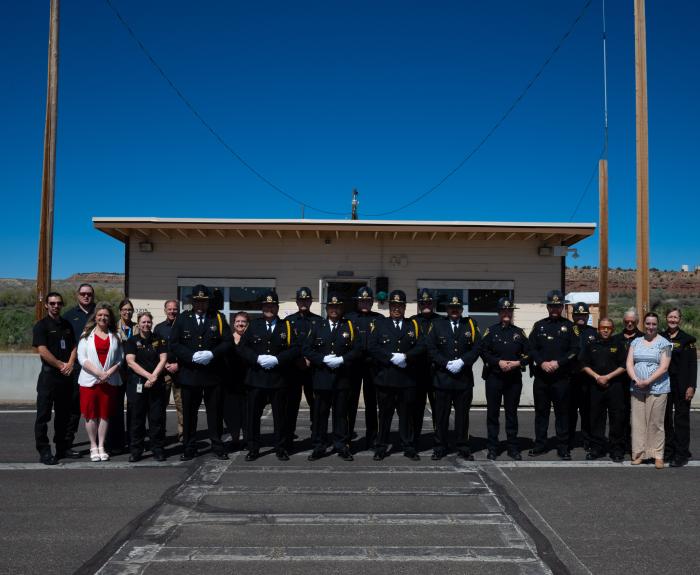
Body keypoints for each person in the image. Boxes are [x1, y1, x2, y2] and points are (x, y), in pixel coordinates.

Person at [169, 285, 234, 461]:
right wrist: (190, 356)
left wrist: (212, 353)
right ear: (192, 301)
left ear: (208, 301)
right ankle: (189, 446)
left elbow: (228, 342)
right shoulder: (183, 319)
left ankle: (217, 445)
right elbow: (174, 343)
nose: (200, 304)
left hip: (213, 375)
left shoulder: (218, 318)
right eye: (197, 301)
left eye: (203, 301)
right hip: (190, 374)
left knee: (215, 412)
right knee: (190, 413)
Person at [238, 291, 300, 461]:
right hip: (256, 378)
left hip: (278, 379)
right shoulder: (253, 326)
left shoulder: (286, 326)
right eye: (266, 306)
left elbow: (295, 349)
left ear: (277, 307)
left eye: (272, 306)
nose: (269, 308)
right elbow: (243, 348)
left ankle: (280, 448)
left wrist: (278, 359)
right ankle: (253, 448)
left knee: (280, 417)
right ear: (262, 308)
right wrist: (256, 358)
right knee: (252, 417)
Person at [368, 290, 426, 461]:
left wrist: (407, 356)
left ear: (404, 307)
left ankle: (408, 447)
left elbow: (422, 346)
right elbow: (372, 346)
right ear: (389, 306)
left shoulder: (413, 325)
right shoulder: (379, 324)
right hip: (386, 378)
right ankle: (381, 447)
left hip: (406, 379)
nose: (396, 309)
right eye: (394, 305)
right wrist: (391, 358)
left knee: (407, 415)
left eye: (400, 305)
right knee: (384, 416)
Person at [303, 293, 361, 461]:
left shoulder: (349, 326)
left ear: (341, 309)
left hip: (342, 378)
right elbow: (306, 349)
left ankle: (341, 445)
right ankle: (319, 446)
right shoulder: (317, 326)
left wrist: (343, 359)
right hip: (322, 378)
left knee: (341, 414)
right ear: (326, 309)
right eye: (331, 307)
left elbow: (357, 349)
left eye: (337, 307)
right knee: (320, 414)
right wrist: (322, 359)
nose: (334, 310)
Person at [426, 294, 480, 461]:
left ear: (461, 309)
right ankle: (440, 446)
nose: (454, 310)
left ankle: (463, 446)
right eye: (451, 307)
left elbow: (478, 347)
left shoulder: (470, 324)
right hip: (443, 378)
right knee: (441, 415)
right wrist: (446, 363)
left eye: (457, 307)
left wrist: (463, 361)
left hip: (463, 379)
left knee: (462, 416)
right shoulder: (436, 325)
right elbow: (431, 348)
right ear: (446, 309)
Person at [528, 290, 580, 460]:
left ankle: (563, 447)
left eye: (558, 306)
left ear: (562, 306)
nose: (555, 308)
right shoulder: (539, 325)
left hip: (561, 378)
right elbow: (531, 348)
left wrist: (559, 363)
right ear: (548, 307)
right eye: (552, 306)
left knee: (562, 414)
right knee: (541, 413)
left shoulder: (571, 327)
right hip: (542, 378)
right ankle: (540, 445)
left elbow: (575, 350)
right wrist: (542, 362)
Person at [479, 297, 529, 461]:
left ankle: (513, 447)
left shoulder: (519, 332)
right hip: (494, 378)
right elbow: (483, 352)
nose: (506, 313)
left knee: (511, 414)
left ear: (512, 312)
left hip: (513, 379)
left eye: (509, 311)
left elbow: (530, 354)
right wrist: (497, 362)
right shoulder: (490, 331)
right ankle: (493, 447)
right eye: (504, 311)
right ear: (499, 313)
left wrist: (517, 363)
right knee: (493, 414)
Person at [32, 292, 77, 465]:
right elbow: (42, 350)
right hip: (49, 378)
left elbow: (74, 346)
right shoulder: (41, 326)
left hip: (65, 378)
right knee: (43, 416)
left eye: (58, 303)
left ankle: (62, 447)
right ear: (47, 305)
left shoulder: (66, 324)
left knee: (63, 416)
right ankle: (44, 450)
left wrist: (71, 363)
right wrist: (60, 365)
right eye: (52, 303)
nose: (55, 306)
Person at [77, 303, 123, 462]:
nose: (103, 318)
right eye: (100, 315)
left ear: (110, 318)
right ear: (95, 317)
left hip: (108, 381)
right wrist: (98, 373)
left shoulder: (115, 336)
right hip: (90, 381)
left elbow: (120, 359)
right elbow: (81, 358)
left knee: (104, 415)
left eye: (106, 315)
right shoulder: (85, 335)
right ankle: (93, 445)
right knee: (90, 414)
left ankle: (102, 445)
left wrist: (108, 373)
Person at [626, 312, 672, 469]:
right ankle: (638, 454)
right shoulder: (635, 342)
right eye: (648, 324)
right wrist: (636, 380)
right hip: (637, 387)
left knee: (656, 423)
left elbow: (664, 366)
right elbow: (629, 363)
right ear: (643, 324)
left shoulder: (665, 343)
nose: (650, 327)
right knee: (638, 422)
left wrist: (647, 381)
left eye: (653, 324)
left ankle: (657, 455)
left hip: (658, 388)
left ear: (657, 325)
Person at [581, 318, 627, 462]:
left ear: (612, 329)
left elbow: (624, 365)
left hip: (615, 387)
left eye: (608, 328)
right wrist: (597, 377)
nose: (605, 330)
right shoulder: (591, 345)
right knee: (596, 419)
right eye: (602, 327)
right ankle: (597, 448)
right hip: (596, 387)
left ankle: (616, 449)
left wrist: (608, 377)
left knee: (616, 419)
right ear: (598, 329)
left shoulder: (619, 344)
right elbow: (583, 364)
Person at [125, 312, 168, 462]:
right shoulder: (132, 341)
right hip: (138, 384)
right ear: (138, 324)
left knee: (157, 419)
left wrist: (154, 376)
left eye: (148, 322)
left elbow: (163, 359)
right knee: (137, 419)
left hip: (156, 384)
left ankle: (158, 449)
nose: (146, 325)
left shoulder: (159, 339)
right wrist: (148, 376)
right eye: (143, 322)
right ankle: (136, 450)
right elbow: (131, 362)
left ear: (152, 323)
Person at [345, 286, 384, 450]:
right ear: (357, 301)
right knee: (350, 403)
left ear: (372, 301)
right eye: (362, 300)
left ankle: (372, 438)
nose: (365, 303)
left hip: (372, 366)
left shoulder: (380, 318)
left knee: (371, 402)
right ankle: (346, 438)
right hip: (353, 366)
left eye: (368, 300)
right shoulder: (348, 318)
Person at [285, 287, 322, 449]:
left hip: (312, 370)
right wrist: (297, 360)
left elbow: (321, 346)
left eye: (307, 300)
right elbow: (285, 346)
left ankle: (316, 436)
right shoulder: (288, 321)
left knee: (315, 404)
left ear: (311, 301)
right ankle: (288, 437)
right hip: (293, 370)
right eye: (301, 300)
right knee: (291, 405)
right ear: (297, 301)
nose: (304, 302)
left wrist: (309, 359)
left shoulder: (319, 321)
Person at [63, 282, 96, 458]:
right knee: (74, 408)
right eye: (83, 293)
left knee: (97, 408)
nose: (86, 296)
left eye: (89, 293)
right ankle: (67, 444)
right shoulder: (68, 317)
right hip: (76, 368)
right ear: (77, 295)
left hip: (98, 369)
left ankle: (100, 442)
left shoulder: (99, 313)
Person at [661, 308, 697, 467]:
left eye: (675, 317)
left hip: (682, 385)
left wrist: (691, 386)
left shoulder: (687, 340)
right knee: (666, 419)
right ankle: (669, 451)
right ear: (666, 318)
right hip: (664, 384)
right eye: (670, 317)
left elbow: (692, 365)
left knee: (681, 420)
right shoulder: (660, 337)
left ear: (680, 319)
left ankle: (682, 454)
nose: (673, 320)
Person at [107, 298, 139, 454]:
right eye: (124, 309)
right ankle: (116, 443)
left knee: (134, 407)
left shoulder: (137, 328)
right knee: (116, 409)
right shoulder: (112, 329)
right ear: (120, 311)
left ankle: (134, 441)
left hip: (133, 373)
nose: (127, 312)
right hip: (117, 373)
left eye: (130, 310)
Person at [408, 289, 439, 447]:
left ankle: (438, 439)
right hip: (417, 372)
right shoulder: (412, 321)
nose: (426, 304)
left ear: (433, 304)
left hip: (436, 372)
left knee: (438, 408)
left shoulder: (441, 321)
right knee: (416, 408)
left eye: (428, 302)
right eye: (423, 302)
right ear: (419, 305)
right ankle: (414, 439)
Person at [153, 300, 184, 442]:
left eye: (175, 309)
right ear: (165, 310)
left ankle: (183, 435)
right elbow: (155, 350)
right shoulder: (158, 329)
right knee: (160, 405)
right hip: (163, 372)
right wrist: (163, 364)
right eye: (169, 309)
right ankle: (160, 435)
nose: (172, 311)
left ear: (179, 310)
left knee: (181, 406)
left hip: (180, 371)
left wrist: (179, 364)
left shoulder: (184, 326)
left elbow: (188, 349)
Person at [568, 302, 597, 451]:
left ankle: (588, 440)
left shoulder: (594, 332)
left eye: (583, 315)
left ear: (587, 316)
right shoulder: (567, 330)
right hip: (571, 377)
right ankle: (570, 440)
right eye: (578, 314)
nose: (581, 317)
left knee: (587, 412)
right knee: (570, 411)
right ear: (573, 316)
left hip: (588, 378)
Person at [614, 308, 643, 453]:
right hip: (619, 383)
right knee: (620, 415)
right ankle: (620, 445)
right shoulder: (616, 338)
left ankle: (636, 446)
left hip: (639, 382)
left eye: (633, 321)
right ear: (623, 321)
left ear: (637, 321)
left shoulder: (644, 338)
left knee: (638, 416)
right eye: (627, 321)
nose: (630, 323)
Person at [222, 311, 250, 452]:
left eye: (243, 322)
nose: (240, 324)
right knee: (231, 413)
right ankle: (234, 439)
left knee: (246, 413)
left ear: (247, 324)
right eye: (238, 321)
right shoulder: (227, 340)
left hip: (247, 383)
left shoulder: (250, 340)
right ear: (233, 324)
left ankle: (246, 440)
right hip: (229, 383)